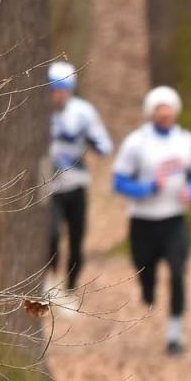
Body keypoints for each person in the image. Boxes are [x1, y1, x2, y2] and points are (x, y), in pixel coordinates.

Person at [112, 86, 191, 355]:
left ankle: (175, 335)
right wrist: (147, 188)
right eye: (160, 110)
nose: (165, 114)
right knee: (145, 270)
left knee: (177, 272)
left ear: (176, 111)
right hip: (143, 220)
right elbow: (119, 181)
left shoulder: (187, 141)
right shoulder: (136, 142)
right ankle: (148, 291)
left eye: (169, 109)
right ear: (151, 113)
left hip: (175, 219)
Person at [45, 60, 112, 299]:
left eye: (63, 89)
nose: (58, 95)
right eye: (53, 89)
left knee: (76, 240)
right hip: (47, 186)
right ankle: (50, 282)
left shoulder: (83, 112)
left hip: (76, 184)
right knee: (51, 235)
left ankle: (71, 289)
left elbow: (105, 145)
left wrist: (91, 140)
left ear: (71, 90)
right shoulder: (38, 112)